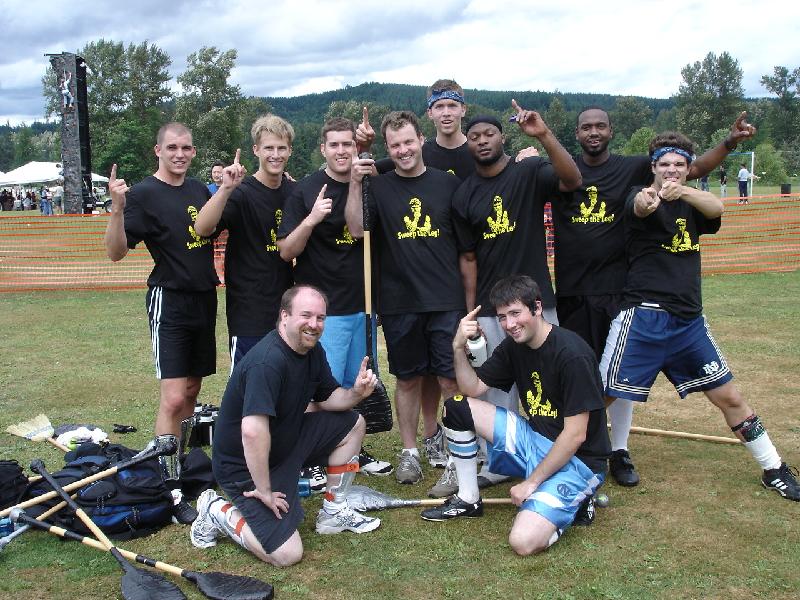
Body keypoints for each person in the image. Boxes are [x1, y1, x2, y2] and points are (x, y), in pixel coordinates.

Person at [552, 108, 756, 487]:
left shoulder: (631, 167)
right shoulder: (562, 169)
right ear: (576, 133)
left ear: (611, 130)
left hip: (622, 288)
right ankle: (571, 448)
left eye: (600, 126)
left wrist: (729, 142)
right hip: (574, 291)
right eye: (586, 127)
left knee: (621, 377)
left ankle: (618, 449)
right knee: (583, 375)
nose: (594, 132)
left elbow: (691, 168)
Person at [600, 132, 799, 503]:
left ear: (688, 168)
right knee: (599, 398)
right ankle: (554, 458)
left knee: (731, 397)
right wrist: (652, 198)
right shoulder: (638, 194)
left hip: (689, 323)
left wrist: (684, 191)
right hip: (643, 318)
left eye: (679, 164)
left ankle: (773, 468)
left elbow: (716, 207)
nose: (671, 170)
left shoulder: (693, 201)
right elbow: (640, 207)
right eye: (664, 164)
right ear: (653, 167)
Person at [103, 122, 245, 524]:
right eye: (172, 148)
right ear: (158, 150)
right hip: (170, 299)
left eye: (186, 148)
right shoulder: (143, 194)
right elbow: (115, 252)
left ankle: (177, 463)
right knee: (173, 397)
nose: (179, 154)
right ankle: (169, 488)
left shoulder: (199, 189)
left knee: (192, 391)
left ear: (194, 152)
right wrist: (117, 209)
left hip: (203, 298)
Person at [443, 103, 582, 497]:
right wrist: (471, 312)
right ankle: (500, 463)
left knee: (546, 383)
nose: (482, 141)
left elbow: (572, 179)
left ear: (502, 137)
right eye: (474, 137)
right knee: (496, 390)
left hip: (536, 303)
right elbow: (468, 258)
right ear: (468, 144)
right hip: (491, 309)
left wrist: (543, 135)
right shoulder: (464, 194)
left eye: (489, 134)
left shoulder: (529, 172)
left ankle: (554, 455)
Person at [190, 285, 381, 566]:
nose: (314, 324)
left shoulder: (312, 351)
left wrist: (356, 393)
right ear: (284, 316)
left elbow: (328, 398)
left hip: (285, 442)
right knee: (287, 554)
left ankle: (334, 511)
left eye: (320, 318)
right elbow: (252, 432)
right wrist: (264, 490)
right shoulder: (267, 362)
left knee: (353, 423)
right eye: (306, 315)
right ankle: (216, 510)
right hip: (244, 466)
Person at [420, 275, 610, 554]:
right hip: (535, 441)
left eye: (515, 313)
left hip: (579, 461)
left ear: (537, 307)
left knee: (523, 542)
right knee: (457, 405)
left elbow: (575, 435)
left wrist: (531, 483)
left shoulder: (572, 354)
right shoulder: (514, 346)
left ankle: (577, 500)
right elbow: (472, 388)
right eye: (502, 317)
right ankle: (469, 499)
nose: (509, 324)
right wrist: (457, 347)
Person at [346, 111, 468, 485]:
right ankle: (410, 452)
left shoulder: (447, 185)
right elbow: (355, 229)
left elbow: (465, 247)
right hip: (399, 301)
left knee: (450, 380)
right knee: (408, 379)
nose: (403, 150)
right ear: (388, 147)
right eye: (395, 145)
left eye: (408, 142)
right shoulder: (379, 187)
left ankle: (457, 456)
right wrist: (355, 183)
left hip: (445, 300)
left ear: (421, 140)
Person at [277, 115, 393, 480]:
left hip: (365, 305)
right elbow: (286, 251)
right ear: (323, 149)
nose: (342, 151)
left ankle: (350, 446)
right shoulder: (306, 190)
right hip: (326, 311)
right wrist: (312, 219)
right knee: (320, 389)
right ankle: (309, 456)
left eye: (348, 144)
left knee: (355, 385)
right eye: (335, 145)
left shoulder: (370, 181)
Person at [194, 115, 294, 370]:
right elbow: (202, 229)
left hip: (288, 309)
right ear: (256, 150)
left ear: (290, 150)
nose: (275, 155)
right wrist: (225, 189)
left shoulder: (294, 192)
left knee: (287, 382)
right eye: (269, 148)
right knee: (248, 383)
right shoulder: (241, 193)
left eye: (281, 148)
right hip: (249, 311)